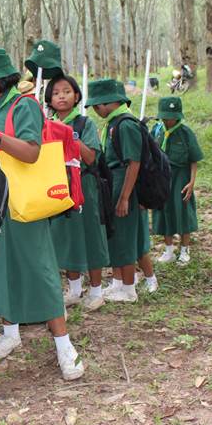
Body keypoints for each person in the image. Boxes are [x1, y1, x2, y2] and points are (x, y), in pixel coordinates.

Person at [0, 46, 85, 381]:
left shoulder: (24, 105)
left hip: (25, 203)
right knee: (2, 267)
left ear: (2, 79)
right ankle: (10, 332)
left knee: (39, 270)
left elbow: (31, 152)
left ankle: (64, 346)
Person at [43, 74, 110, 311]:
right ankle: (74, 290)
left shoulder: (84, 124)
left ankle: (96, 290)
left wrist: (69, 135)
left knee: (90, 235)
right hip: (57, 189)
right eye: (56, 93)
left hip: (84, 187)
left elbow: (91, 158)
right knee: (65, 237)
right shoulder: (45, 124)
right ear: (49, 99)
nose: (61, 96)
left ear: (77, 96)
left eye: (67, 91)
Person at [85, 79, 146, 303]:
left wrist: (124, 197)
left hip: (124, 185)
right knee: (116, 236)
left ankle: (129, 289)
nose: (95, 110)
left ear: (109, 103)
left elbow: (134, 163)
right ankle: (118, 283)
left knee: (125, 237)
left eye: (97, 105)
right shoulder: (114, 123)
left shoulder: (126, 125)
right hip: (114, 182)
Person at [152, 96, 203, 264]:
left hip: (181, 178)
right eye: (165, 117)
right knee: (163, 212)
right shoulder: (157, 131)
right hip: (162, 178)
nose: (168, 121)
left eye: (171, 117)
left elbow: (193, 160)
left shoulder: (185, 133)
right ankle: (168, 250)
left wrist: (191, 182)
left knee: (183, 213)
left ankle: (184, 250)